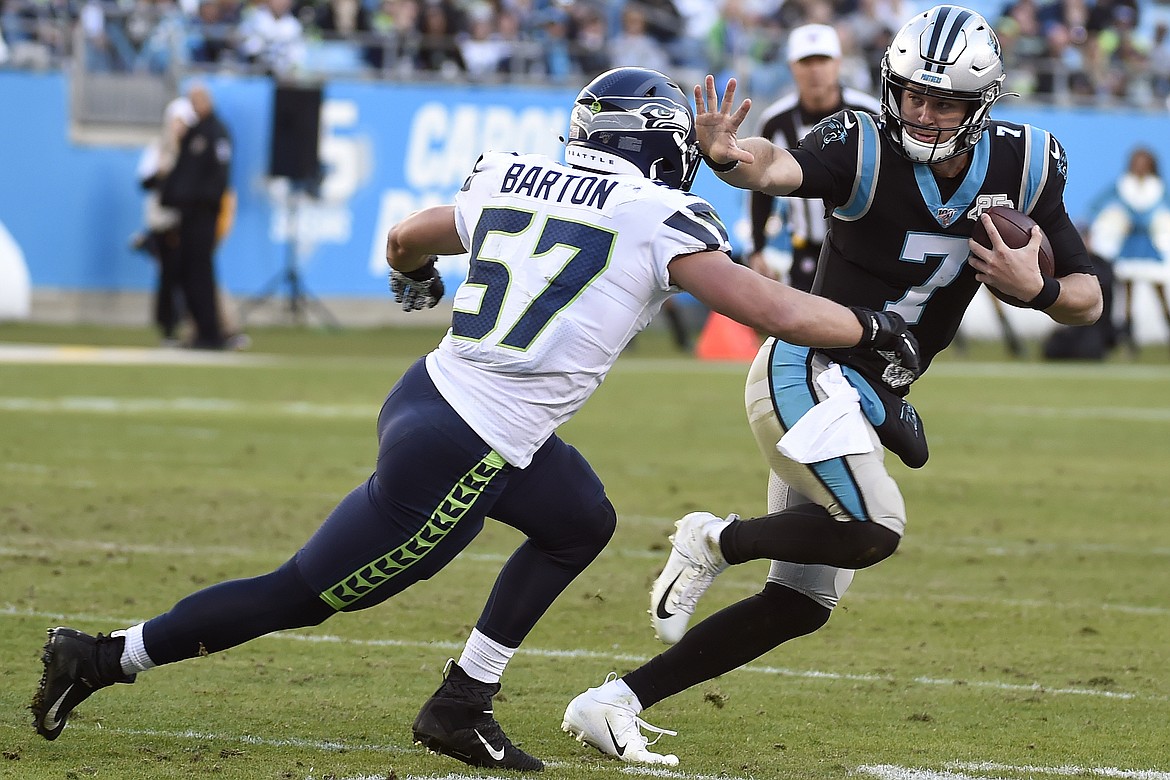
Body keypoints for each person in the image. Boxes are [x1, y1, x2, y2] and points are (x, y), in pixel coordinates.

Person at [31, 66, 919, 772]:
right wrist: (877, 325)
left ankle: (462, 703)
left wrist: (416, 283)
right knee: (302, 593)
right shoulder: (658, 214)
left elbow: (406, 238)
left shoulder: (511, 174)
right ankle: (104, 657)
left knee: (580, 519)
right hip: (467, 444)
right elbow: (778, 313)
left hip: (434, 393)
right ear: (656, 147)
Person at [562, 6, 1103, 767]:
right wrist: (726, 158)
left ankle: (612, 701)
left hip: (869, 393)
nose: (921, 112)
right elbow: (778, 168)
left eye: (943, 101)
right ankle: (714, 538)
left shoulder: (1028, 163)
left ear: (981, 106)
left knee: (800, 603)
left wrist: (1036, 288)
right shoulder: (862, 141)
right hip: (806, 368)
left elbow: (1089, 298)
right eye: (911, 93)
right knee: (876, 527)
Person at [746, 23, 881, 291]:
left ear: (838, 63)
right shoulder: (775, 121)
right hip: (806, 248)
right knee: (802, 327)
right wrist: (757, 248)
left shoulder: (869, 113)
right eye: (806, 61)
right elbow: (760, 187)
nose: (815, 70)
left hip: (865, 246)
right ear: (792, 66)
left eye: (823, 60)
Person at [159, 82, 239, 351]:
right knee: (189, 273)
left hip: (203, 214)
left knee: (201, 274)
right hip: (188, 213)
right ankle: (201, 331)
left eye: (198, 99)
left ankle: (211, 332)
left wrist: (200, 200)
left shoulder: (216, 132)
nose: (196, 105)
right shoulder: (196, 132)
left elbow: (217, 175)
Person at [1088, 146, 1170, 353]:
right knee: (1127, 297)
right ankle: (1129, 341)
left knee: (1160, 292)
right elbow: (1097, 205)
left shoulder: (1158, 187)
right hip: (1130, 245)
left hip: (1149, 245)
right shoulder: (1123, 186)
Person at [131, 95, 197, 346]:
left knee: (189, 277)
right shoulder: (158, 149)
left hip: (187, 221)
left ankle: (192, 326)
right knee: (169, 276)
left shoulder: (192, 149)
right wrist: (162, 172)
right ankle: (168, 327)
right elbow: (145, 182)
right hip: (163, 221)